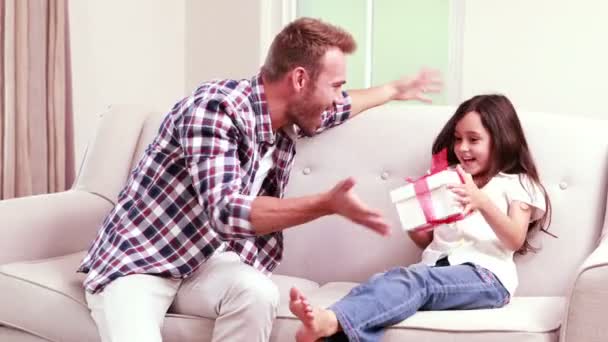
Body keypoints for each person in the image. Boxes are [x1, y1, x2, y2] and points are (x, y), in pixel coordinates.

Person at [77, 17, 442, 342]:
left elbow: (343, 106)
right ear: (299, 79)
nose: (337, 98)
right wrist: (325, 204)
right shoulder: (215, 109)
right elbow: (227, 211)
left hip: (203, 261)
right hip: (142, 261)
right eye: (334, 85)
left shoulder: (290, 117)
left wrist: (394, 90)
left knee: (257, 292)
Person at [289, 94, 553, 342]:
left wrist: (482, 201)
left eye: (474, 139)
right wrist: (416, 217)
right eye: (458, 139)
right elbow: (427, 242)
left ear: (501, 139)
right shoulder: (449, 177)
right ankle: (329, 323)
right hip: (434, 267)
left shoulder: (517, 183)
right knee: (387, 280)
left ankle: (330, 320)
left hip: (487, 278)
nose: (462, 148)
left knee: (415, 282)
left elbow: (515, 239)